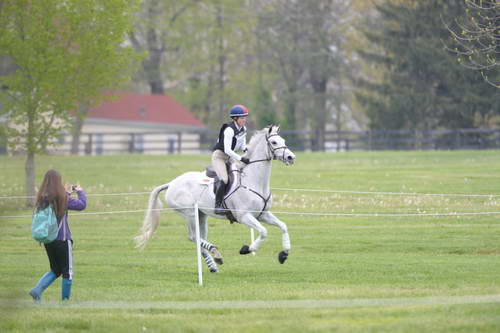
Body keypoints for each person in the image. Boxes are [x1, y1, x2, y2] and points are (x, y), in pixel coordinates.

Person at [29, 169, 86, 302]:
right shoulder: (63, 198)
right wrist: (80, 191)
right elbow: (81, 205)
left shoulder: (42, 197)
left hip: (48, 239)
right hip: (63, 239)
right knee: (67, 272)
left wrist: (66, 193)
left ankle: (37, 290)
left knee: (55, 269)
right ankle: (65, 301)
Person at [212, 104, 250, 214]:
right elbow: (227, 150)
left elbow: (243, 146)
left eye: (245, 117)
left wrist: (248, 152)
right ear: (235, 118)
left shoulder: (244, 129)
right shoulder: (229, 130)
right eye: (242, 118)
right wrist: (241, 158)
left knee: (240, 175)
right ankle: (217, 206)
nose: (244, 120)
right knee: (224, 179)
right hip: (219, 157)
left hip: (230, 157)